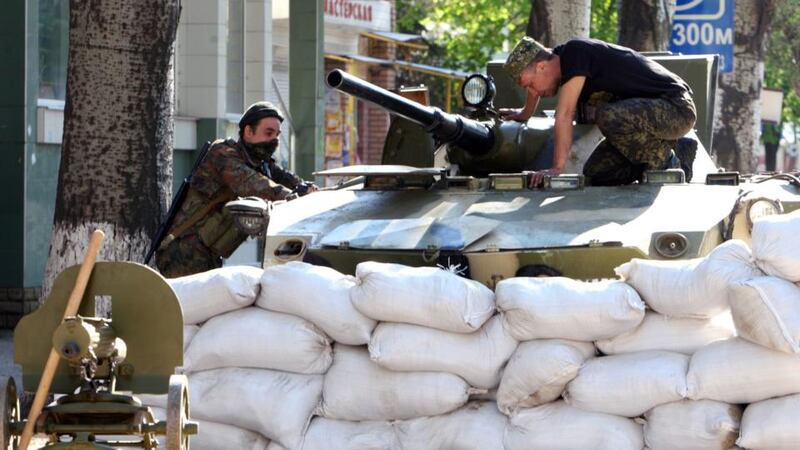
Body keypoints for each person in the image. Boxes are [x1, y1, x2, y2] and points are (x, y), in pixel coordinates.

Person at [501, 36, 697, 186]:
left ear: (542, 66)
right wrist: (525, 113)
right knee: (598, 174)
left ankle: (671, 163)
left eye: (530, 85)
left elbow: (565, 114)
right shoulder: (558, 60)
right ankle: (677, 150)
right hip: (646, 121)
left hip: (675, 107)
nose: (534, 93)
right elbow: (534, 81)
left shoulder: (575, 53)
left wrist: (557, 169)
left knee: (608, 115)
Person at [155, 101, 318, 278]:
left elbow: (287, 179)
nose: (274, 141)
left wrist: (308, 191)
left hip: (207, 251)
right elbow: (253, 184)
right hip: (183, 251)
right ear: (248, 131)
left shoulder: (260, 163)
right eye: (268, 133)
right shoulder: (223, 154)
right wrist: (294, 197)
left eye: (277, 135)